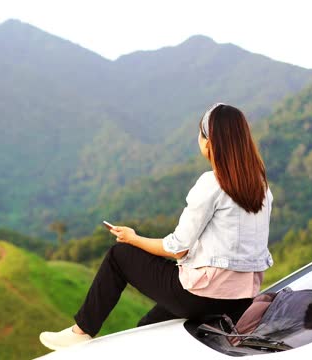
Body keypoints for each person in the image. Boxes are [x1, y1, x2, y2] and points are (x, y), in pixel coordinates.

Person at [39, 103, 274, 350]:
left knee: (120, 256)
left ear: (209, 142)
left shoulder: (212, 183)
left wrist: (133, 238)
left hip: (203, 295)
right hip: (240, 300)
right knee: (147, 328)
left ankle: (81, 330)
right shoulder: (262, 188)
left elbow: (177, 248)